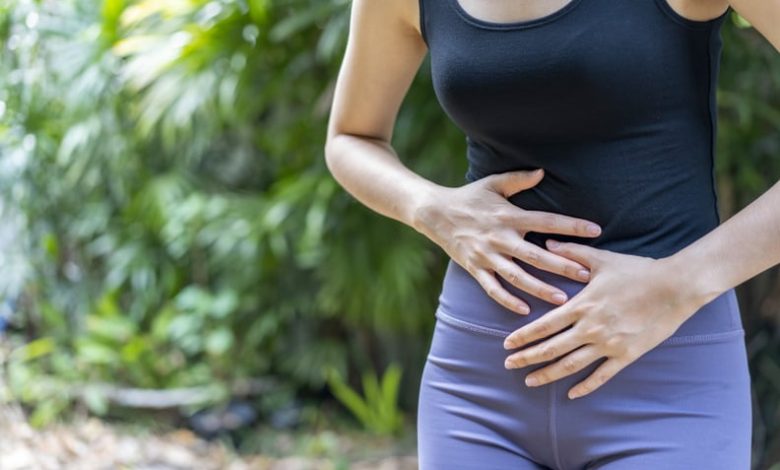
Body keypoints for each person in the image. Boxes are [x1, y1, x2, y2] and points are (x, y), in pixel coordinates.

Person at [323, 0, 780, 468]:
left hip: (667, 382)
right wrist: (429, 207)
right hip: (477, 389)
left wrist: (681, 282)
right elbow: (351, 137)